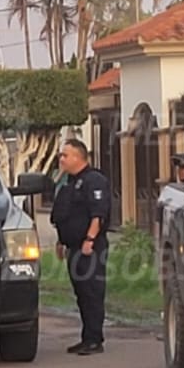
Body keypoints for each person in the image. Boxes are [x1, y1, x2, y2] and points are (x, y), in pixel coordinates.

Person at [51, 139, 111, 356]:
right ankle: (87, 338)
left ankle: (95, 340)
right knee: (82, 294)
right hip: (74, 246)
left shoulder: (94, 180)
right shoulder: (69, 182)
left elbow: (98, 214)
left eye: (65, 155)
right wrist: (61, 241)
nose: (61, 159)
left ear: (78, 157)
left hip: (89, 247)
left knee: (92, 292)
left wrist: (90, 239)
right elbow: (65, 214)